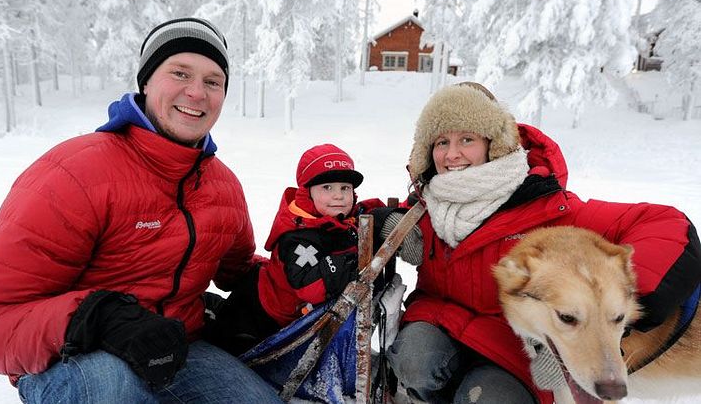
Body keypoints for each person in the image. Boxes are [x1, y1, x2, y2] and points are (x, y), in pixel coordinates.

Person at [0, 18, 282, 403]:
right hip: (76, 358)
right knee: (113, 385)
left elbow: (240, 271)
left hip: (179, 349)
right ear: (146, 81)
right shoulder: (75, 173)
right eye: (180, 73)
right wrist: (96, 317)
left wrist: (311, 259)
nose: (196, 92)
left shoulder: (221, 186)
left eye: (213, 82)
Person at [382, 82, 701, 403]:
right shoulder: (428, 204)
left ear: (493, 144)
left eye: (467, 139)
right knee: (415, 361)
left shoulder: (548, 207)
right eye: (441, 142)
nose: (452, 154)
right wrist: (377, 220)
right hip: (439, 327)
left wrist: (623, 297)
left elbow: (664, 223)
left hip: (510, 350)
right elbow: (346, 210)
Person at [206, 143, 385, 356]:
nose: (338, 196)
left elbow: (367, 210)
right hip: (260, 314)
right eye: (327, 188)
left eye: (344, 188)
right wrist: (349, 261)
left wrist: (386, 215)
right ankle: (209, 313)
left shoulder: (340, 217)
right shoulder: (296, 239)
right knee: (228, 340)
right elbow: (312, 286)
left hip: (287, 304)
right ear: (306, 193)